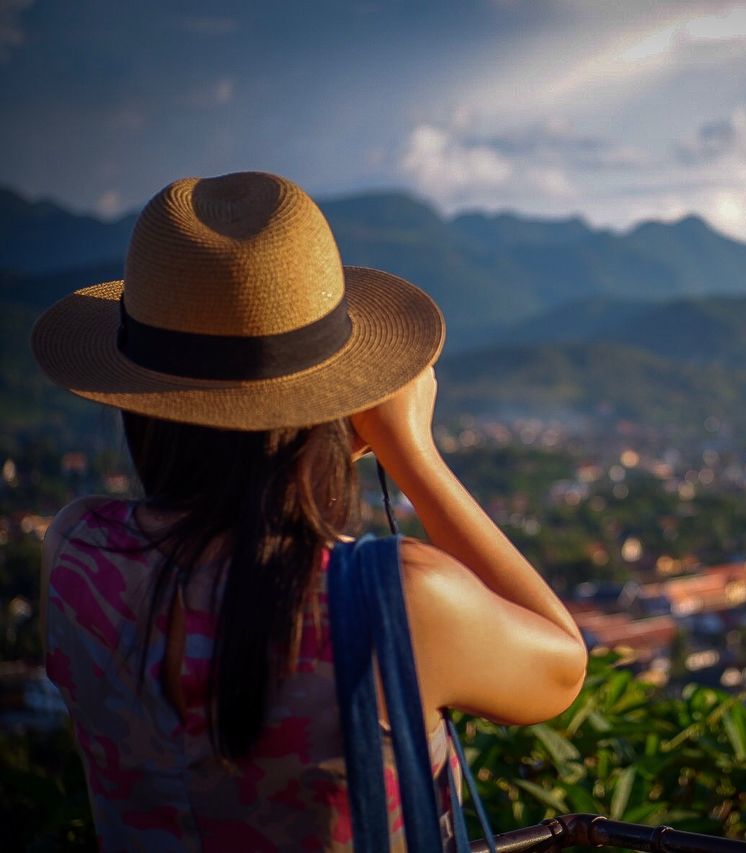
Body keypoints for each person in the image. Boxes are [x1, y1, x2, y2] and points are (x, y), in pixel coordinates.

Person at [31, 171, 588, 849]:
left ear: (141, 403)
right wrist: (414, 454)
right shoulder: (397, 601)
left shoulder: (76, 553)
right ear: (338, 410)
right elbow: (561, 667)